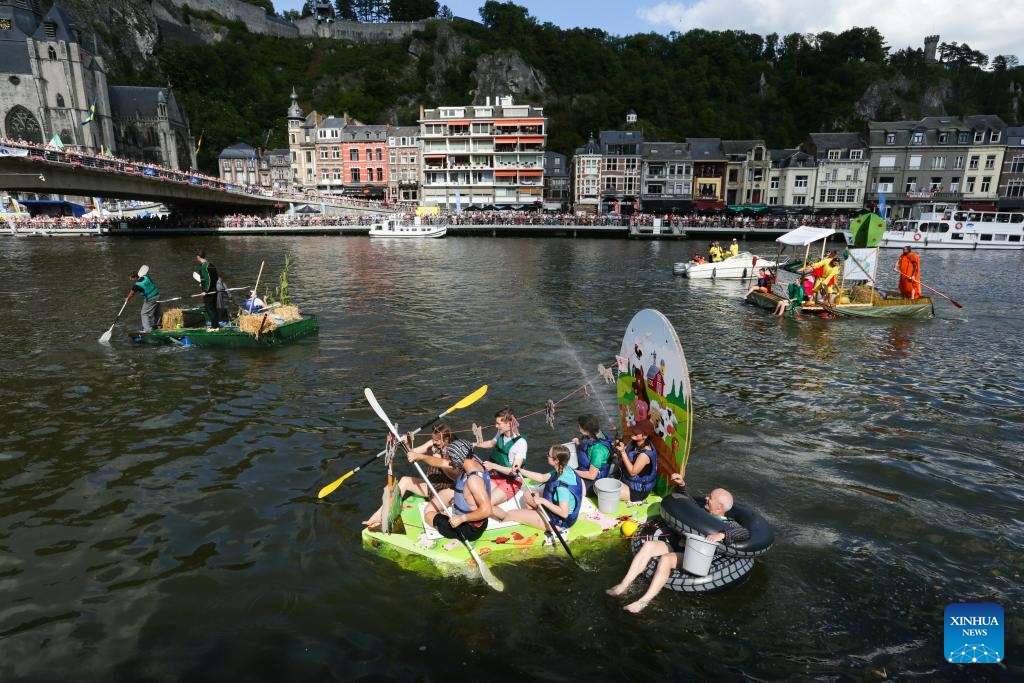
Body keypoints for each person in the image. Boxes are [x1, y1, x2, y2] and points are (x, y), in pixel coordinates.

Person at [607, 473, 751, 613]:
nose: (706, 498)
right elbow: (689, 503)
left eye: (710, 498)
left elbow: (745, 533)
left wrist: (723, 534)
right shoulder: (702, 511)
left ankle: (643, 601)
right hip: (679, 543)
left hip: (695, 554)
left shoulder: (729, 524)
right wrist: (682, 486)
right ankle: (623, 585)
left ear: (719, 507)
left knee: (666, 559)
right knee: (648, 546)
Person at [361, 424, 457, 529]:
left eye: (437, 441)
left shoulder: (454, 451)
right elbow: (413, 453)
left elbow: (454, 477)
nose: (434, 442)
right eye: (433, 439)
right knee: (405, 480)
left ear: (446, 439)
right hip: (430, 486)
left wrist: (438, 462)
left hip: (445, 491)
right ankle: (380, 514)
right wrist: (405, 444)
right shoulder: (433, 444)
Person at [493, 444, 584, 533]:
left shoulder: (562, 488)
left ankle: (534, 519)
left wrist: (543, 501)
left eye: (549, 455)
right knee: (527, 495)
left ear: (556, 460)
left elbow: (564, 513)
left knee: (510, 514)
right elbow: (542, 477)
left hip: (559, 522)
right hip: (554, 511)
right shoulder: (565, 468)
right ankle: (533, 519)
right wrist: (520, 470)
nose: (547, 455)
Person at [421, 439, 492, 542]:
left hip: (468, 529)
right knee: (445, 493)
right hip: (475, 521)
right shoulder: (475, 462)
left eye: (451, 457)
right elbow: (441, 462)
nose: (450, 460)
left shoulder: (473, 480)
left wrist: (461, 519)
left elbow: (487, 510)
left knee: (428, 514)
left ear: (458, 457)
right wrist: (420, 457)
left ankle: (453, 536)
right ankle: (448, 517)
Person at [474, 407, 527, 506]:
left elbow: (514, 471)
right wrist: (474, 444)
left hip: (512, 481)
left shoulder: (520, 443)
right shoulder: (501, 432)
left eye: (499, 424)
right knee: (477, 497)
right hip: (497, 475)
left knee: (486, 504)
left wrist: (493, 466)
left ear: (509, 423)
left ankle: (505, 517)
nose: (496, 426)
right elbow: (491, 443)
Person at [611, 418, 658, 502]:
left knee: (601, 490)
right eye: (634, 430)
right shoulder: (634, 442)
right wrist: (618, 446)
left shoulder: (645, 454)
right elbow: (626, 452)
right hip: (626, 481)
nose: (633, 432)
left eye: (637, 432)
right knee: (600, 484)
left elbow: (633, 472)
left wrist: (622, 452)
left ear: (645, 436)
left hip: (637, 491)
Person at [573, 414, 614, 483]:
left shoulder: (598, 450)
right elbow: (588, 445)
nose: (579, 427)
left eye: (580, 426)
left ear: (586, 429)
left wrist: (571, 471)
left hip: (595, 480)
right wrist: (578, 443)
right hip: (585, 469)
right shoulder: (597, 434)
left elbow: (592, 475)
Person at [195, 250, 221, 326]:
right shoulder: (211, 265)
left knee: (209, 308)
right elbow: (215, 278)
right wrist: (202, 284)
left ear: (198, 257)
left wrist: (205, 290)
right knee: (213, 308)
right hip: (214, 289)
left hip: (208, 292)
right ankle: (216, 324)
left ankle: (214, 326)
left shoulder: (203, 267)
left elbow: (208, 279)